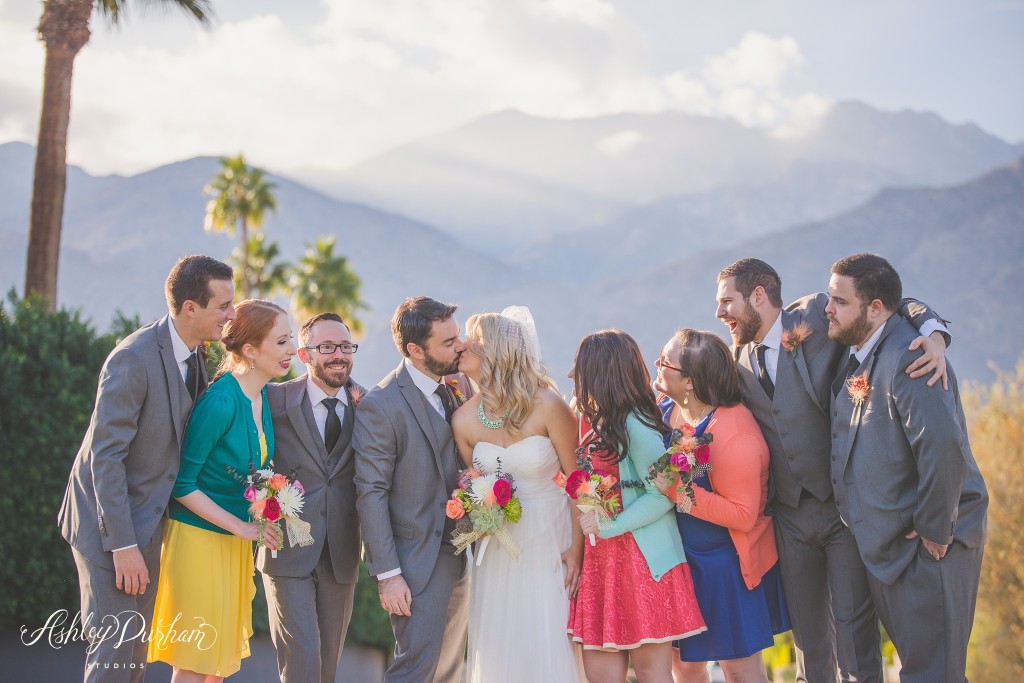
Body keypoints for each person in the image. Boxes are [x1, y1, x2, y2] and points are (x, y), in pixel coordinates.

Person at [714, 258, 950, 683]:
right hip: (788, 517)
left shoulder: (819, 314)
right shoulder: (736, 356)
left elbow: (889, 303)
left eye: (726, 301)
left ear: (759, 296)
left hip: (842, 511)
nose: (719, 314)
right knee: (808, 641)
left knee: (854, 636)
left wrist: (934, 332)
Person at [57, 255, 234, 683]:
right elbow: (107, 456)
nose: (231, 314)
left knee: (134, 657)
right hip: (109, 527)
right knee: (115, 657)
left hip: (149, 525)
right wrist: (122, 545)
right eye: (223, 306)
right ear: (190, 308)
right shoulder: (133, 359)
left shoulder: (197, 355)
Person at [826, 253, 987, 683]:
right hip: (888, 549)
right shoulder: (865, 347)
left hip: (929, 551)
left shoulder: (912, 357)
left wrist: (935, 528)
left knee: (934, 675)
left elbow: (944, 445)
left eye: (839, 301)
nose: (828, 309)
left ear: (875, 308)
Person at [147, 299, 293, 681]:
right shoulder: (221, 401)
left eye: (290, 340)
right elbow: (181, 484)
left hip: (232, 542)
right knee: (195, 664)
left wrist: (265, 510)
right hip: (199, 542)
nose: (291, 350)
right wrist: (242, 527)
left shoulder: (261, 397)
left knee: (217, 668)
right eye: (280, 342)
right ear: (250, 350)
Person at [452, 307, 584, 683]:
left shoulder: (549, 406)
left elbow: (577, 484)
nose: (460, 347)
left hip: (551, 540)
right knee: (500, 644)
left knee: (549, 635)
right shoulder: (462, 419)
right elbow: (471, 486)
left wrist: (577, 550)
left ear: (494, 352)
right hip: (498, 547)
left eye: (470, 342)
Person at [652, 329, 790, 682]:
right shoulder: (667, 409)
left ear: (691, 382)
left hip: (724, 566)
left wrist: (676, 491)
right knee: (683, 667)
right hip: (679, 562)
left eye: (666, 362)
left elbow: (743, 515)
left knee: (740, 670)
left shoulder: (733, 430)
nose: (657, 365)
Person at [569, 329, 706, 683]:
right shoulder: (588, 419)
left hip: (642, 561)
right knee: (599, 674)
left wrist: (610, 525)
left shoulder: (634, 424)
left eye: (579, 367)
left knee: (651, 674)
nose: (572, 375)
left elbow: (665, 491)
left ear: (601, 372)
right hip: (600, 563)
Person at [353, 296, 474, 683]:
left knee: (449, 670)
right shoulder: (381, 404)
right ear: (414, 350)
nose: (460, 347)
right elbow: (370, 492)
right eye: (448, 342)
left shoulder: (458, 386)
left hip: (463, 555)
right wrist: (388, 575)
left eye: (458, 337)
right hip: (416, 563)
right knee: (415, 670)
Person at [257, 312, 367, 683]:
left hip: (342, 555)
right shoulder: (273, 399)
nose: (339, 355)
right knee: (302, 664)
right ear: (304, 355)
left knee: (327, 670)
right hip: (287, 551)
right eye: (327, 347)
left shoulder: (369, 407)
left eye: (346, 346)